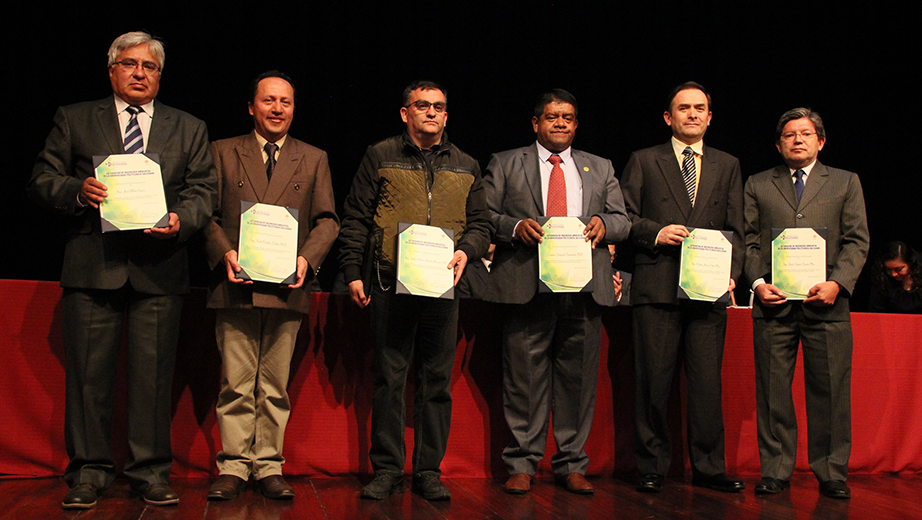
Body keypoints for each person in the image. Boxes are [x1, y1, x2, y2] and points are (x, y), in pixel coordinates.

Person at [26, 31, 217, 509]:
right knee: (90, 376)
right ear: (111, 70)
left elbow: (204, 191)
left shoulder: (188, 127)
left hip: (160, 268)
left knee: (153, 378)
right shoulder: (75, 118)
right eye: (130, 64)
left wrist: (181, 219)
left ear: (159, 75)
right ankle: (88, 471)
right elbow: (41, 178)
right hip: (94, 266)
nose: (139, 73)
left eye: (149, 67)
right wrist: (76, 189)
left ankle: (149, 471)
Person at [338, 80, 492, 501]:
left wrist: (467, 251)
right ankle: (387, 469)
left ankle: (428, 471)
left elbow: (481, 224)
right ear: (405, 113)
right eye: (422, 106)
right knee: (390, 377)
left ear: (446, 115)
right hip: (390, 283)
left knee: (436, 380)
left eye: (439, 107)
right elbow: (356, 216)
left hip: (443, 285)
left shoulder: (466, 163)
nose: (431, 113)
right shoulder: (380, 155)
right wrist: (353, 269)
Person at [483, 89, 630, 495]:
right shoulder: (506, 163)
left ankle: (571, 463)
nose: (560, 123)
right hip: (527, 284)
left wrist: (604, 222)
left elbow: (623, 220)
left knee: (578, 380)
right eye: (551, 117)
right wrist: (514, 227)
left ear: (576, 124)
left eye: (567, 117)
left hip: (584, 289)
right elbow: (483, 215)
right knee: (523, 380)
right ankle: (522, 462)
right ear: (536, 124)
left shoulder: (599, 168)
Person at [202, 71, 339, 500]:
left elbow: (328, 221)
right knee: (237, 382)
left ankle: (268, 465)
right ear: (251, 107)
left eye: (285, 102)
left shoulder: (313, 157)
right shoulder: (222, 152)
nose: (277, 109)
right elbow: (203, 213)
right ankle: (234, 465)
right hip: (235, 284)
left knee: (274, 384)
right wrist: (224, 251)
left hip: (288, 286)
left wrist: (307, 259)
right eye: (268, 101)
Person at [619, 82, 745, 493]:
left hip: (708, 288)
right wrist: (656, 233)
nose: (692, 114)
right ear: (668, 117)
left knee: (707, 383)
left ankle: (709, 467)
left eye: (700, 108)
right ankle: (652, 465)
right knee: (653, 381)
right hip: (657, 284)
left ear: (710, 117)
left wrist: (733, 272)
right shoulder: (644, 160)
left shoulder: (727, 164)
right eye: (683, 108)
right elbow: (623, 218)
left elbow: (738, 230)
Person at [744, 108, 869, 498]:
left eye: (806, 133)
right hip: (774, 305)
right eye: (789, 135)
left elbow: (857, 241)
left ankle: (831, 471)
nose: (798, 140)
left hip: (827, 305)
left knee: (830, 392)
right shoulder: (758, 183)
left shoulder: (846, 182)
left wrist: (838, 283)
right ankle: (776, 470)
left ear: (821, 141)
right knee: (773, 391)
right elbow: (747, 240)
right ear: (778, 145)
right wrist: (758, 283)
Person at [868, 241, 922, 313]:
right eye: (888, 269)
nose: (893, 274)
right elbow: (875, 312)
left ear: (910, 263)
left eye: (899, 269)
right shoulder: (883, 281)